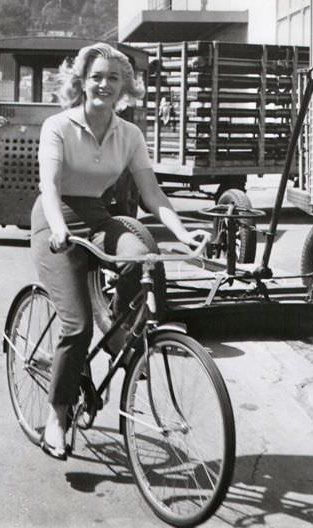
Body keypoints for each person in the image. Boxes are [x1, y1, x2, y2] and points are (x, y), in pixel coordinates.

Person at [31, 42, 207, 460]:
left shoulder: (129, 134)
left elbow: (152, 193)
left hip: (96, 214)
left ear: (124, 87)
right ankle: (57, 418)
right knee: (76, 327)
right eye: (96, 77)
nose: (104, 85)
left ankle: (120, 336)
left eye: (113, 78)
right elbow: (50, 188)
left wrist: (182, 234)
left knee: (140, 254)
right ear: (82, 81)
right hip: (54, 219)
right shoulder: (58, 126)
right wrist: (57, 229)